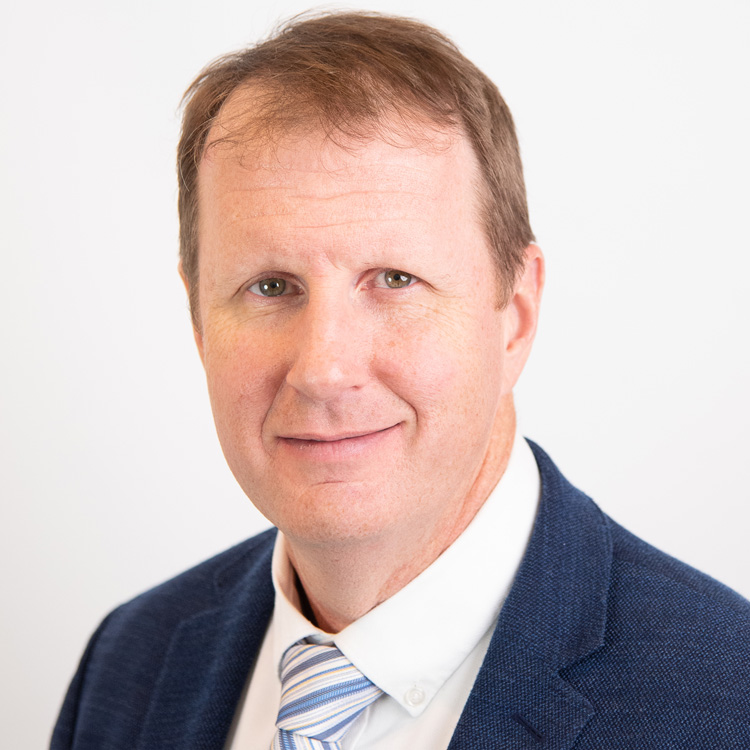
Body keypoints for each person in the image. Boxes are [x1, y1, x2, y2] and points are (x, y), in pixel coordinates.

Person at [51, 11, 750, 750]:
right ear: (199, 324)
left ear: (515, 315)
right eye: (270, 287)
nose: (324, 370)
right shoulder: (130, 663)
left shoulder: (724, 699)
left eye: (394, 279)